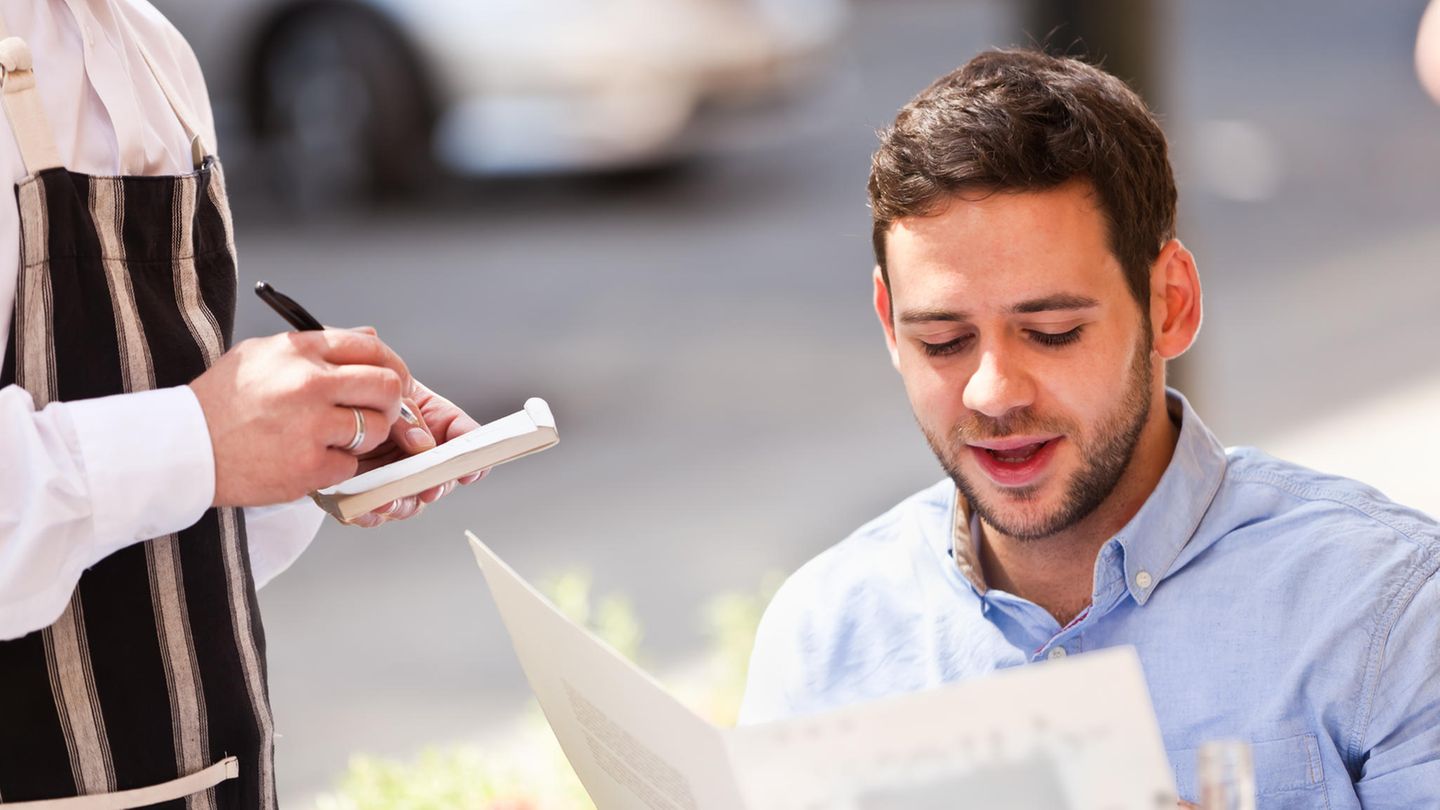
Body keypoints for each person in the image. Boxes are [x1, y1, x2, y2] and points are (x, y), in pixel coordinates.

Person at [739, 49, 1440, 807]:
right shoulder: (824, 635)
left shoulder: (1389, 613)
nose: (993, 391)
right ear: (888, 322)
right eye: (942, 342)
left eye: (1052, 330)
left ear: (1169, 303)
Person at [0, 2, 483, 807]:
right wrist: (200, 439)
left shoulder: (157, 54)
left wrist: (303, 440)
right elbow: (177, 445)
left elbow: (140, 548)